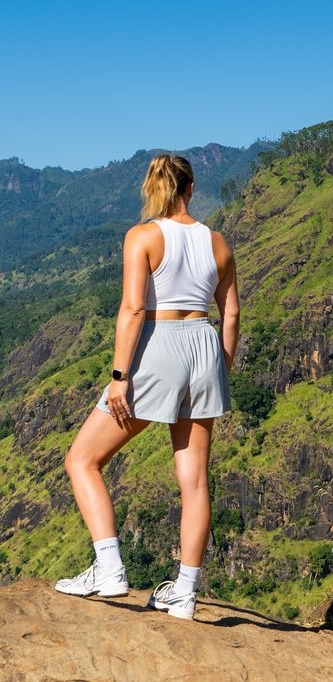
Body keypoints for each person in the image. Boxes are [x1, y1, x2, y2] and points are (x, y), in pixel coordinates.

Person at [55, 154, 240, 620]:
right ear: (191, 189)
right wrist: (222, 367)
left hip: (160, 347)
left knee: (82, 459)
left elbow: (134, 310)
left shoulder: (142, 236)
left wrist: (120, 377)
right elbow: (232, 313)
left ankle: (109, 567)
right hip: (204, 347)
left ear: (153, 188)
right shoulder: (218, 242)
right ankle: (185, 591)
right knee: (194, 480)